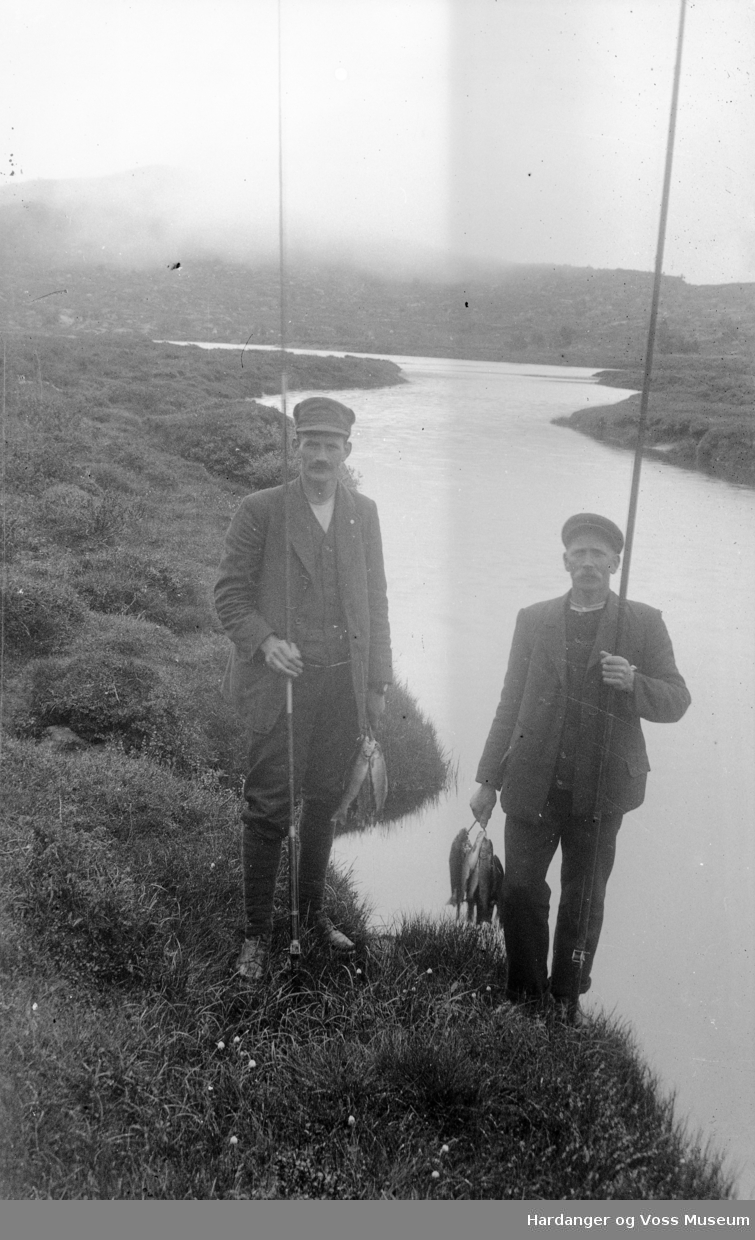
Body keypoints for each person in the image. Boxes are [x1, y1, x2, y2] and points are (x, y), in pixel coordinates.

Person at [469, 513, 690, 1024]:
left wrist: (634, 681)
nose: (588, 562)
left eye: (598, 554)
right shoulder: (532, 619)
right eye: (578, 553)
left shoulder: (644, 622)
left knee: (583, 898)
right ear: (565, 561)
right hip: (532, 783)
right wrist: (487, 779)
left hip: (602, 789)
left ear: (615, 563)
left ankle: (566, 997)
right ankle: (525, 997)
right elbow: (510, 703)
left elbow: (678, 698)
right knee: (520, 887)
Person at [214, 396, 392, 980]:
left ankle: (312, 915)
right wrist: (267, 642)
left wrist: (377, 685)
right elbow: (229, 598)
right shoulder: (260, 510)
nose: (320, 455)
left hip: (343, 689)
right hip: (280, 688)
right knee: (267, 806)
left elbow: (377, 605)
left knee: (323, 803)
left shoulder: (363, 513)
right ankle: (257, 936)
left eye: (331, 445)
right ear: (296, 449)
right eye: (310, 443)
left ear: (348, 451)